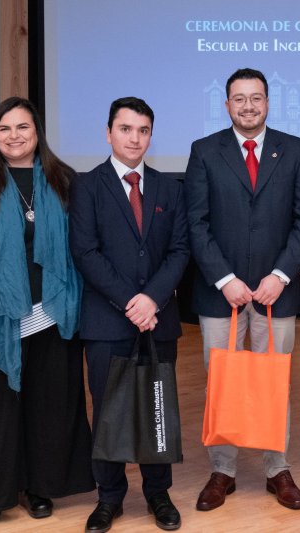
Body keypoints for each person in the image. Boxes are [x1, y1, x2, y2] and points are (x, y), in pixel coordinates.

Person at [0, 97, 94, 533]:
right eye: (4, 128)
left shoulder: (63, 180)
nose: (14, 136)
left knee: (47, 407)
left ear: (37, 132)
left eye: (23, 127)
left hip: (53, 313)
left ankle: (38, 487)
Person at [184, 67, 300, 512]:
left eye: (255, 98)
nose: (248, 106)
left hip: (276, 293)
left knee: (273, 383)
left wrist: (280, 275)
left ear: (267, 102)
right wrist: (225, 279)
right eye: (239, 99)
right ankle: (222, 470)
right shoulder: (205, 151)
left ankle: (277, 468)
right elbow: (196, 222)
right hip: (220, 294)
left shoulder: (294, 149)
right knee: (221, 384)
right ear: (227, 104)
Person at [69, 97, 189, 532]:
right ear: (108, 133)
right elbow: (85, 252)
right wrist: (130, 302)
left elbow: (180, 250)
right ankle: (110, 497)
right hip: (107, 321)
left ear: (151, 136)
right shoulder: (87, 186)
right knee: (109, 410)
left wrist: (152, 299)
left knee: (158, 407)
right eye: (125, 129)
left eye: (143, 130)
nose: (134, 138)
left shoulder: (170, 189)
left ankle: (158, 494)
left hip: (158, 319)